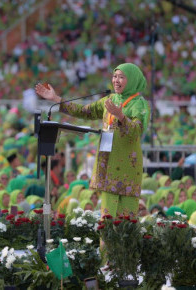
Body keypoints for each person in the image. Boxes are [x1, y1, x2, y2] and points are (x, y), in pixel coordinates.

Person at [36, 63, 150, 217]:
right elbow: (84, 111)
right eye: (115, 76)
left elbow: (137, 130)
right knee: (108, 219)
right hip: (108, 163)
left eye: (122, 77)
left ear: (133, 80)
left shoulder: (139, 104)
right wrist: (56, 98)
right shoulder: (109, 99)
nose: (116, 80)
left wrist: (121, 116)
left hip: (127, 166)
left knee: (127, 222)